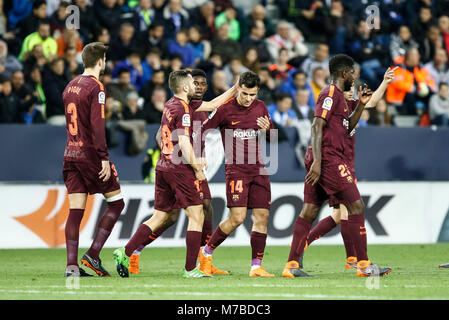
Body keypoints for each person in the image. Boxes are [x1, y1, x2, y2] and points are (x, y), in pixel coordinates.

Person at [112, 69, 238, 278]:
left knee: (160, 216)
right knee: (196, 215)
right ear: (185, 87)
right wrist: (197, 168)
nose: (196, 86)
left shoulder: (171, 105)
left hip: (163, 167)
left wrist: (234, 89)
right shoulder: (184, 111)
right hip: (179, 169)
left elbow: (214, 104)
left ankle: (125, 251)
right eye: (192, 82)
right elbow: (185, 142)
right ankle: (190, 269)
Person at [282, 54, 392, 278]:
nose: (355, 76)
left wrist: (360, 106)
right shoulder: (330, 93)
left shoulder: (342, 99)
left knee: (310, 210)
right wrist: (318, 162)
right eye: (352, 72)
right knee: (356, 205)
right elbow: (316, 126)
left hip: (325, 159)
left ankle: (292, 265)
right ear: (344, 73)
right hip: (328, 159)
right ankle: (363, 265)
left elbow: (348, 127)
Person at [198, 71, 275, 278]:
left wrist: (269, 130)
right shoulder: (224, 109)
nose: (249, 99)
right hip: (237, 170)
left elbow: (273, 137)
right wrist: (199, 155)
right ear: (237, 88)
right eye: (245, 94)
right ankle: (206, 253)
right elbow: (202, 131)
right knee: (237, 218)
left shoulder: (261, 107)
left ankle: (256, 266)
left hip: (258, 169)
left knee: (262, 216)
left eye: (253, 95)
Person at [62, 42, 125, 277]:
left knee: (75, 211)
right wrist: (103, 158)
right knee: (117, 203)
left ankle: (71, 266)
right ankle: (93, 255)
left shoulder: (70, 86)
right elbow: (98, 126)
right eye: (105, 59)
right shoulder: (96, 87)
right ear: (100, 61)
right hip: (90, 155)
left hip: (70, 154)